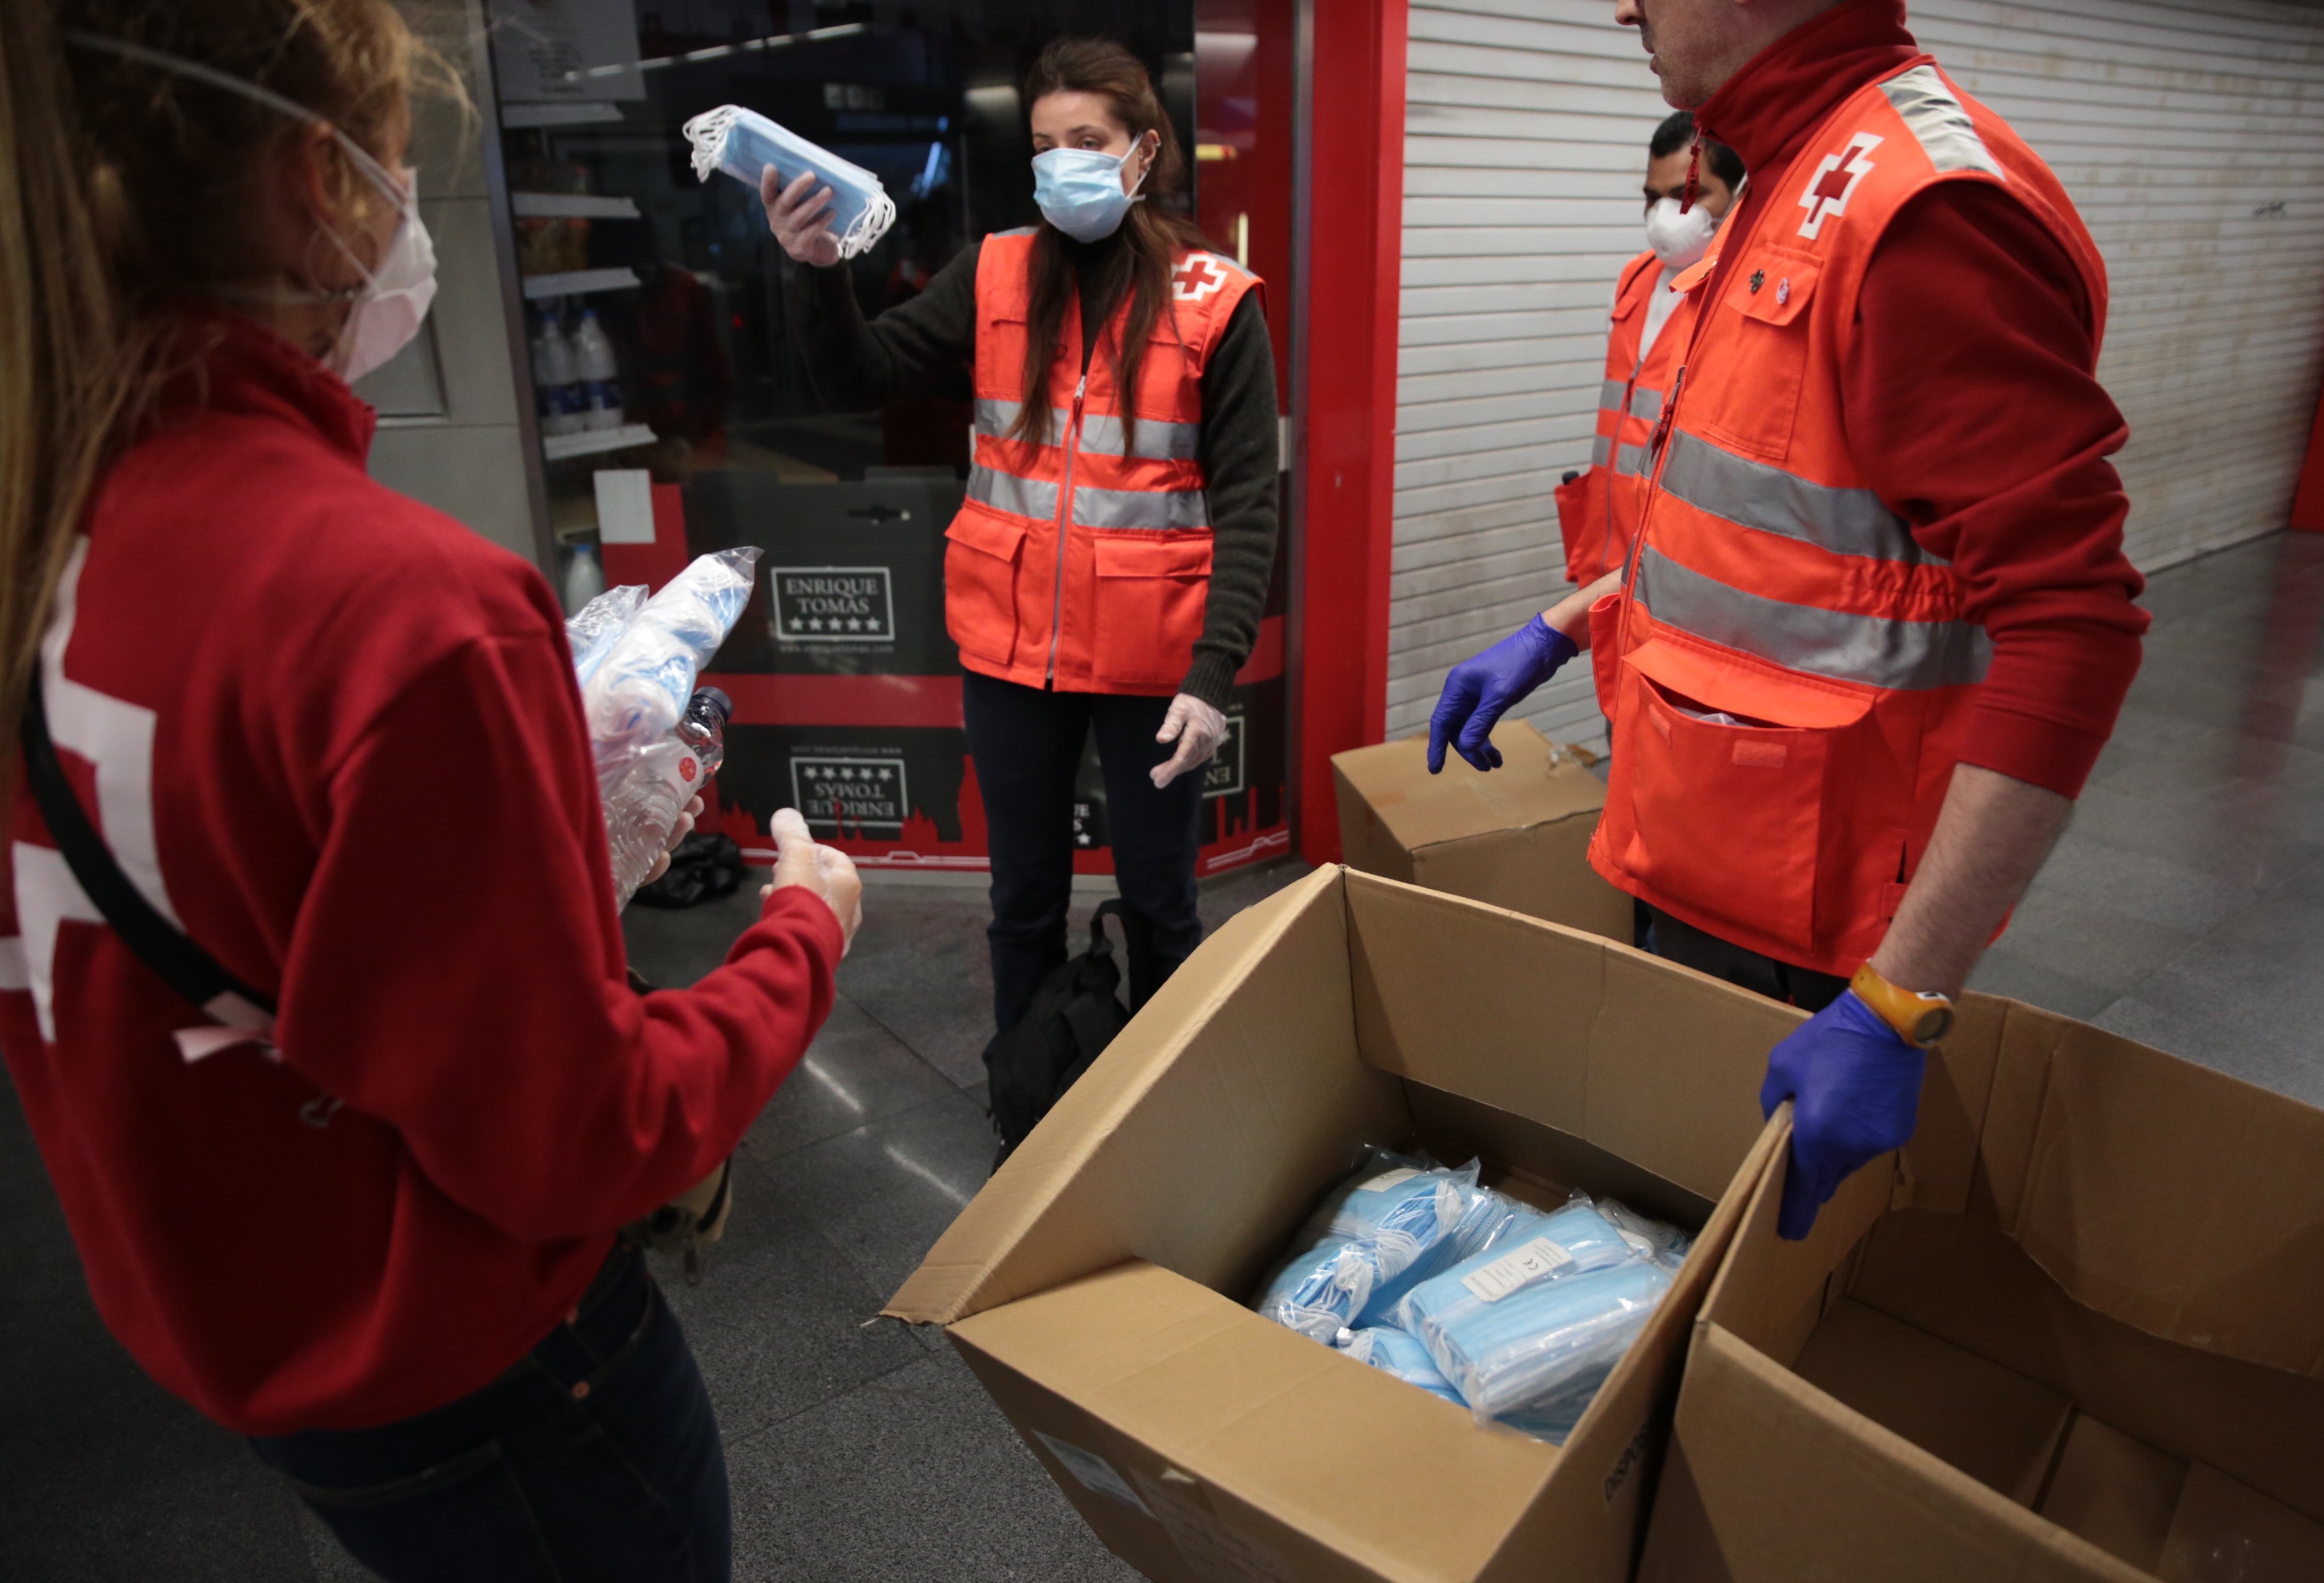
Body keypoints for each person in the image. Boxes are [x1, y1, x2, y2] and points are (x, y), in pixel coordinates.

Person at [0, 4, 863, 1579]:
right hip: (487, 1366)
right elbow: (582, 1137)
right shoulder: (403, 608)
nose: (411, 215)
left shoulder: (45, 520)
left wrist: (526, 866)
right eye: (398, 167)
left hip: (253, 1321)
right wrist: (801, 926)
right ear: (309, 187)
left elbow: (238, 909)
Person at [1430, 0, 2148, 1240]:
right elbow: (1768, 547)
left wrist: (1898, 998)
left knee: (1748, 1268)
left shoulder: (1921, 211)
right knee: (1662, 1229)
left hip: (1812, 936)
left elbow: (2073, 621)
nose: (1625, 7)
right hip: (1701, 850)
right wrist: (1558, 628)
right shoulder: (1784, 176)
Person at [763, 37, 1279, 1047]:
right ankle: (1030, 1109)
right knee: (1024, 901)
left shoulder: (1215, 300)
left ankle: (1170, 1102)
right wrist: (819, 272)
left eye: (1088, 139)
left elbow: (1251, 502)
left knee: (1163, 906)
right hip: (1011, 658)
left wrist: (1212, 678)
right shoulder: (994, 273)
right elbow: (858, 377)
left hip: (1152, 672)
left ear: (1142, 152)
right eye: (1046, 145)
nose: (1065, 163)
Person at [1556, 110, 1742, 585]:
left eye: (1688, 196)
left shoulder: (1742, 295)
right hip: (1607, 557)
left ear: (1740, 194)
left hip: (1677, 574)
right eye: (1652, 197)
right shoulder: (1634, 279)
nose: (1665, 216)